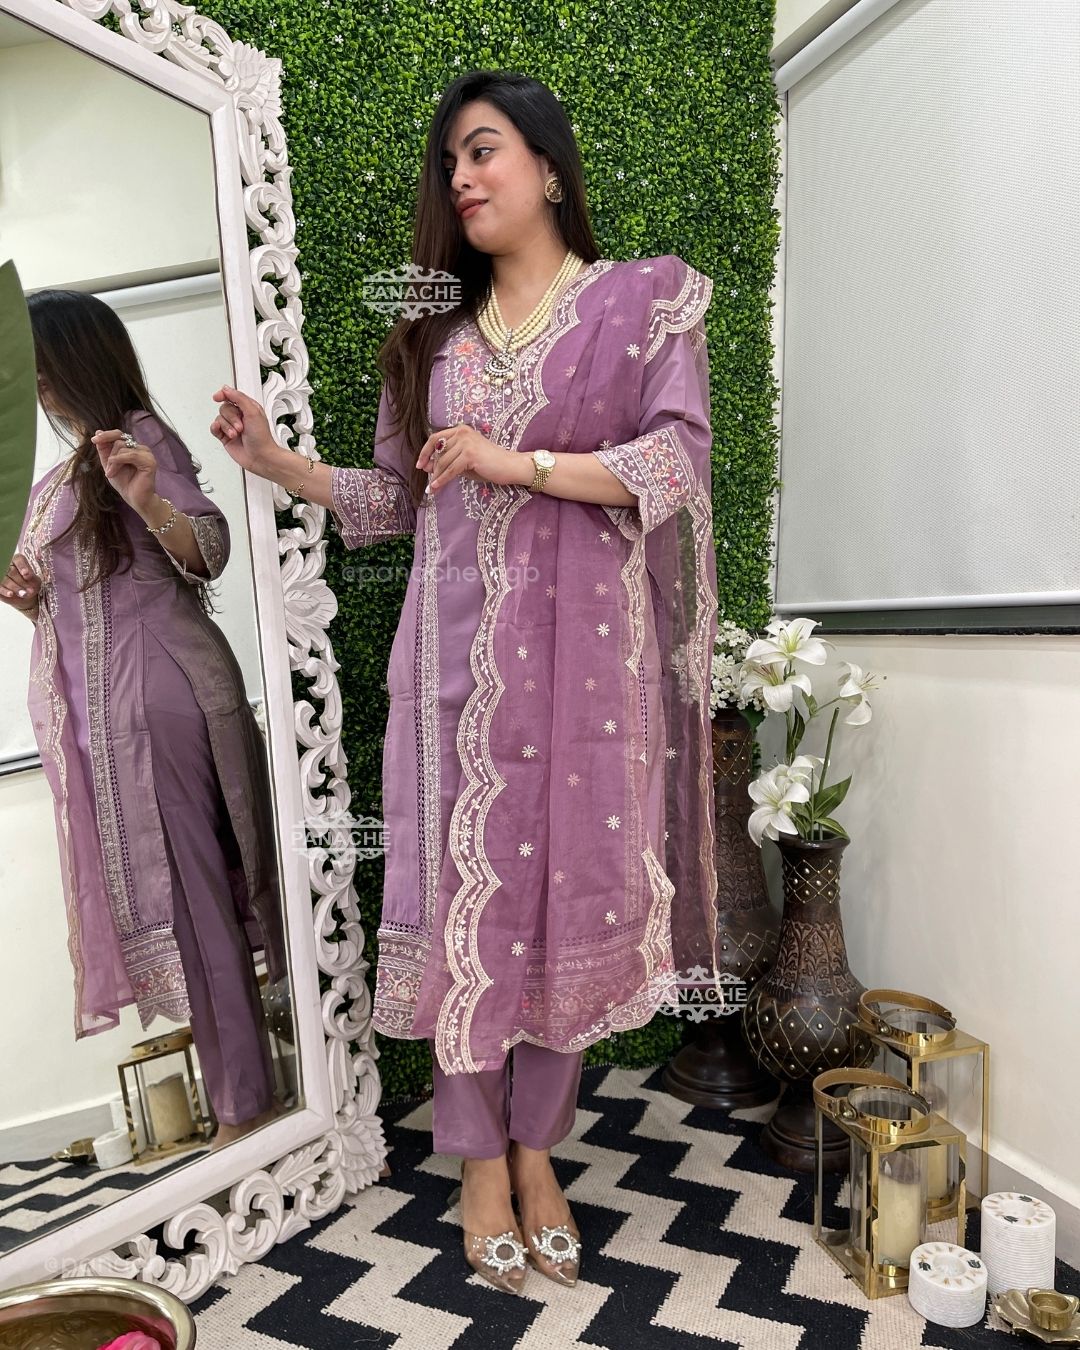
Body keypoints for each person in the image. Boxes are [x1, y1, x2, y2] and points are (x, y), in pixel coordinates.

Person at [210, 69, 721, 1291]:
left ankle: (538, 1150)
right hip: (451, 674)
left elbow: (675, 463)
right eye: (450, 164)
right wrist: (278, 464)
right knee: (460, 909)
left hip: (589, 679)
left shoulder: (644, 300)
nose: (462, 179)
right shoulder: (434, 339)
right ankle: (478, 1160)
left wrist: (516, 461)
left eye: (483, 151)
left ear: (548, 165)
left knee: (568, 897)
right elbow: (398, 501)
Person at [1, 290, 287, 1149]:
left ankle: (244, 1106)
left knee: (197, 899)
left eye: (40, 367)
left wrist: (152, 498)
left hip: (160, 694)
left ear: (72, 361)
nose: (35, 387)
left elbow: (209, 549)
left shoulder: (138, 438)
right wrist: (31, 600)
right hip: (119, 709)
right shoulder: (69, 471)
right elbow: (87, 596)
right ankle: (242, 1094)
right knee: (186, 900)